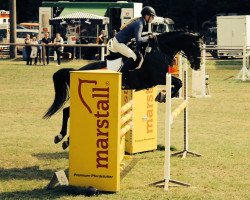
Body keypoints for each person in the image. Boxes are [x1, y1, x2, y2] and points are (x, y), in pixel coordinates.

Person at [111, 6, 156, 86]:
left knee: (137, 56)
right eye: (152, 16)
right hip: (118, 42)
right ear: (146, 16)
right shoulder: (139, 24)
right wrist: (148, 37)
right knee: (134, 57)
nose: (153, 18)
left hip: (123, 42)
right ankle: (120, 79)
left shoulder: (140, 22)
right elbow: (139, 40)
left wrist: (147, 36)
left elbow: (138, 37)